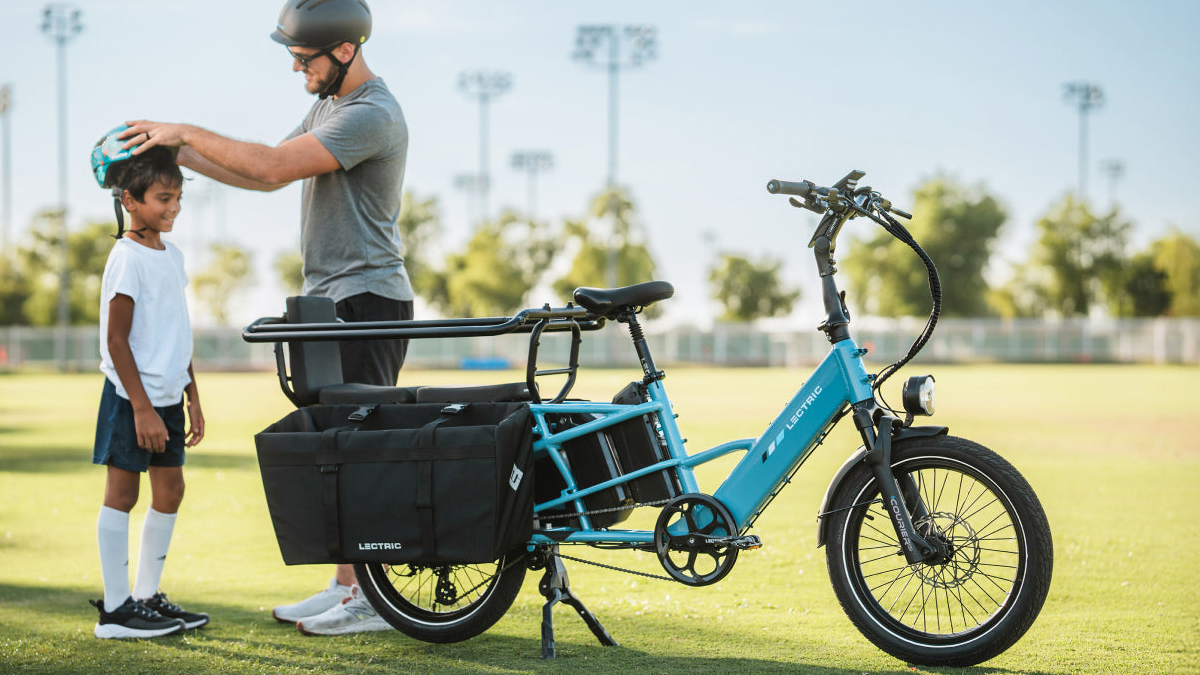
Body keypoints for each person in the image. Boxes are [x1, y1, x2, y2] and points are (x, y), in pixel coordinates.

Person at [120, 0, 412, 636]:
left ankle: (377, 600)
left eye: (302, 58)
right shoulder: (330, 105)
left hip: (367, 299)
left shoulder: (371, 112)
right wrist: (167, 158)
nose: (296, 69)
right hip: (330, 300)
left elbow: (273, 165)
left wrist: (184, 130)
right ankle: (347, 587)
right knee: (334, 447)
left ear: (343, 51)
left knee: (358, 451)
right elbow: (265, 177)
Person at [88, 128, 209, 639]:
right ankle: (116, 612)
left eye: (178, 197)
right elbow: (118, 342)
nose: (174, 208)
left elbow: (176, 330)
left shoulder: (172, 255)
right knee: (122, 494)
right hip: (129, 399)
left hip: (167, 397)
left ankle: (145, 597)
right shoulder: (126, 257)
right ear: (130, 201)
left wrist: (193, 395)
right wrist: (140, 408)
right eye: (164, 198)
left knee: (172, 491)